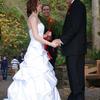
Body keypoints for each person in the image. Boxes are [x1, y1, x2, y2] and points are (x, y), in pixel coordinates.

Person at [6, 0, 61, 100]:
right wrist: (51, 43)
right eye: (39, 4)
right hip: (35, 50)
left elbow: (36, 34)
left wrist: (45, 35)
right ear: (34, 6)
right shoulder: (33, 17)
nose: (41, 5)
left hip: (39, 48)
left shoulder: (36, 18)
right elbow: (35, 36)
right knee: (35, 74)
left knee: (42, 74)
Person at [53, 0, 87, 100]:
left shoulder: (78, 5)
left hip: (75, 49)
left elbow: (74, 27)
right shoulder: (74, 5)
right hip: (74, 48)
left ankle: (77, 97)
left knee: (75, 77)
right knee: (75, 77)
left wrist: (61, 40)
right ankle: (76, 96)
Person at [40, 4, 60, 69]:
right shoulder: (39, 21)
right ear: (41, 11)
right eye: (44, 10)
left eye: (47, 9)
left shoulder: (54, 22)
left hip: (52, 47)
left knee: (51, 64)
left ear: (50, 10)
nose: (46, 11)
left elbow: (58, 34)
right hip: (42, 45)